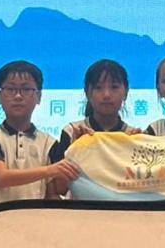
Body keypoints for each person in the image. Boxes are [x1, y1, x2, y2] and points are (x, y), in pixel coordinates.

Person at [0, 60, 77, 204]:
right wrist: (49, 170)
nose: (18, 96)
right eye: (11, 89)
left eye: (26, 89)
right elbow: (1, 177)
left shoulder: (49, 143)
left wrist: (75, 149)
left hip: (35, 217)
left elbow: (57, 190)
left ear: (39, 96)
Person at [49, 58, 139, 197]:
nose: (106, 95)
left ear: (126, 92)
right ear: (87, 92)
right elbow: (60, 188)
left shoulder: (133, 136)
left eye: (114, 87)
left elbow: (143, 188)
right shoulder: (72, 131)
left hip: (122, 209)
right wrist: (76, 151)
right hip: (81, 209)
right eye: (98, 88)